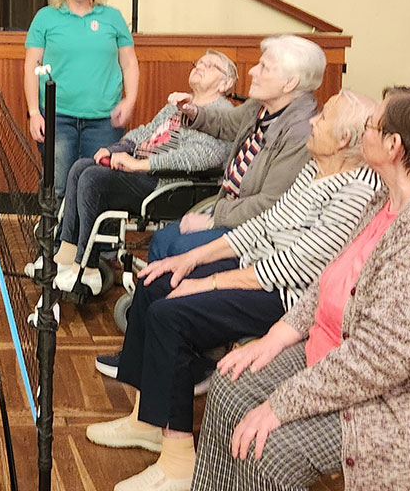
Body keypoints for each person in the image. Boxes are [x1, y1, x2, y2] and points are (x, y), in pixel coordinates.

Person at [194, 87, 410, 491]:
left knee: (272, 450)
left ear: (393, 146)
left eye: (369, 125)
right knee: (230, 385)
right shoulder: (387, 195)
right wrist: (276, 336)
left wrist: (281, 404)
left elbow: (381, 358)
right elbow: (333, 275)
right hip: (352, 358)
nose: (362, 132)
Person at [86, 90, 381, 491]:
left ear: (344, 140)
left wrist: (205, 282)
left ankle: (178, 460)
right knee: (156, 280)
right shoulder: (315, 169)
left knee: (171, 315)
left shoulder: (357, 190)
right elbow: (262, 226)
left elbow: (296, 265)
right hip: (255, 269)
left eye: (323, 119)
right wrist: (188, 261)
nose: (313, 122)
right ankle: (147, 421)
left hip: (285, 295)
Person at [96, 35, 325, 377]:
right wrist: (192, 112)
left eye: (265, 67)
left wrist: (212, 217)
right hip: (229, 208)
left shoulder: (298, 130)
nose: (254, 72)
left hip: (254, 232)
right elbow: (225, 124)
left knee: (172, 245)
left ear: (291, 82)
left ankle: (177, 359)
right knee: (165, 242)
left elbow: (269, 206)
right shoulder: (262, 106)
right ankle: (152, 354)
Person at [47, 49, 237, 294]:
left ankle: (88, 268)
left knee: (93, 178)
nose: (199, 66)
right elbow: (147, 132)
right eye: (198, 63)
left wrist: (137, 164)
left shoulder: (223, 114)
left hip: (166, 184)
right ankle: (68, 253)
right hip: (142, 170)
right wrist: (115, 148)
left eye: (209, 66)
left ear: (226, 83)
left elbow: (201, 157)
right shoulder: (180, 104)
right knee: (82, 166)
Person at [23, 0, 140, 198]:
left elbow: (129, 62)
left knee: (96, 187)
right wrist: (34, 112)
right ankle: (55, 236)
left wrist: (129, 100)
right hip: (57, 119)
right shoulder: (45, 18)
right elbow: (31, 66)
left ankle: (91, 237)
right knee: (59, 187)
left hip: (104, 122)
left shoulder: (113, 18)